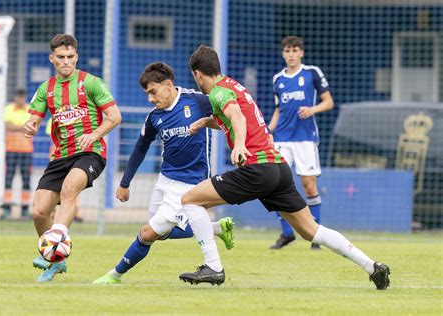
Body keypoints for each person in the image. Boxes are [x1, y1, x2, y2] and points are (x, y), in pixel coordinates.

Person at [177, 45, 390, 290]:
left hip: (255, 169)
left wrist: (238, 146)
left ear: (197, 74)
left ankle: (213, 266)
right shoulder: (232, 86)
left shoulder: (217, 93)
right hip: (278, 168)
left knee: (190, 200)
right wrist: (206, 121)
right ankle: (373, 267)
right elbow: (229, 117)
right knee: (312, 231)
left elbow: (237, 117)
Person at [93, 62, 234, 284]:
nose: (150, 99)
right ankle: (216, 228)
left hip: (191, 184)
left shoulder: (197, 101)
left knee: (147, 233)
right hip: (165, 180)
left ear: (168, 84)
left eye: (153, 92)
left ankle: (114, 275)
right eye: (147, 94)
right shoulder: (154, 118)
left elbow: (230, 117)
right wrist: (125, 182)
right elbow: (141, 147)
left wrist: (240, 146)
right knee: (160, 233)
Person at [23, 34, 122, 282]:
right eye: (60, 58)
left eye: (70, 57)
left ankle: (54, 246)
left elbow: (114, 116)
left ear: (76, 57)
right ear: (52, 59)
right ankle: (56, 260)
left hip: (91, 152)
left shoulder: (91, 83)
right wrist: (31, 126)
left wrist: (94, 134)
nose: (66, 62)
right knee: (38, 211)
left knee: (69, 190)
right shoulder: (46, 89)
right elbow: (33, 119)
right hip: (60, 156)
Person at [268, 36, 334, 250]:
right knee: (275, 185)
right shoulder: (278, 79)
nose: (291, 54)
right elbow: (278, 109)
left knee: (308, 185)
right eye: (287, 50)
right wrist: (268, 131)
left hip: (305, 138)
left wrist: (311, 110)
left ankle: (315, 235)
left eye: (295, 50)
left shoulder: (312, 73)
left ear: (301, 53)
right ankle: (287, 233)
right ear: (283, 54)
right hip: (282, 140)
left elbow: (329, 102)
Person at [1, 88, 33, 220]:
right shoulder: (9, 109)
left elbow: (32, 126)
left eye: (22, 97)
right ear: (15, 98)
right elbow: (8, 126)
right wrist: (23, 127)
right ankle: (7, 208)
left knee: (26, 180)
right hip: (11, 149)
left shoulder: (30, 109)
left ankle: (24, 209)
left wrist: (16, 127)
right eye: (18, 97)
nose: (20, 99)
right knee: (8, 179)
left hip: (26, 150)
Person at [45, 118, 83, 222]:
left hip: (74, 155)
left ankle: (74, 211)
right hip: (58, 157)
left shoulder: (76, 117)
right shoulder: (54, 118)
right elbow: (54, 136)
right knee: (56, 187)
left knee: (72, 185)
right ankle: (52, 211)